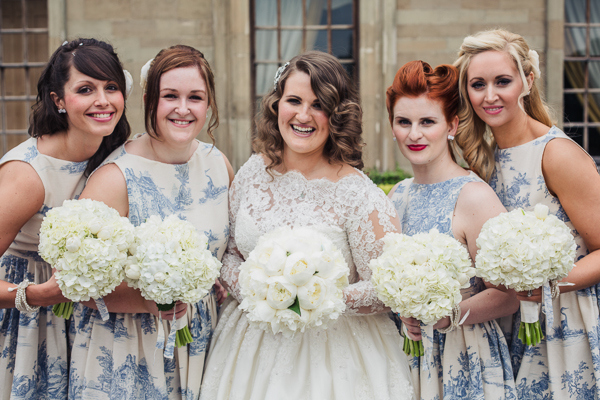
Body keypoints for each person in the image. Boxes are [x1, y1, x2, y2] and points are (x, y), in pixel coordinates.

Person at [199, 51, 414, 400]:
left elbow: (387, 288)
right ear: (276, 105)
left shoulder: (358, 194)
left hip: (335, 359)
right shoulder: (252, 173)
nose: (303, 115)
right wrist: (262, 291)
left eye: (319, 105)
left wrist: (313, 300)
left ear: (337, 114)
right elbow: (232, 255)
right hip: (249, 350)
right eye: (294, 101)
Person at [68, 45, 233, 399]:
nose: (183, 109)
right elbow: (75, 283)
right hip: (129, 349)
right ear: (149, 100)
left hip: (203, 342)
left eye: (196, 97)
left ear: (209, 105)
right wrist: (150, 300)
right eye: (170, 96)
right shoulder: (115, 177)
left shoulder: (218, 164)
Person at [454, 28, 600, 398]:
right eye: (477, 84)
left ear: (527, 81)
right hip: (508, 328)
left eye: (502, 81)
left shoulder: (557, 154)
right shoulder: (482, 161)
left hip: (566, 326)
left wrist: (547, 285)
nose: (489, 96)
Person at [0, 38, 130, 398]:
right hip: (25, 327)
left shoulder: (115, 158)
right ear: (58, 101)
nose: (102, 101)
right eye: (86, 89)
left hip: (91, 328)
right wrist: (37, 295)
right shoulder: (29, 175)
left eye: (112, 87)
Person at [386, 60, 518, 399]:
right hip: (406, 357)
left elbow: (509, 295)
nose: (414, 134)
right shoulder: (395, 195)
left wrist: (450, 315)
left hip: (464, 355)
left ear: (452, 125)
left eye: (427, 121)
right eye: (404, 122)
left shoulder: (474, 196)